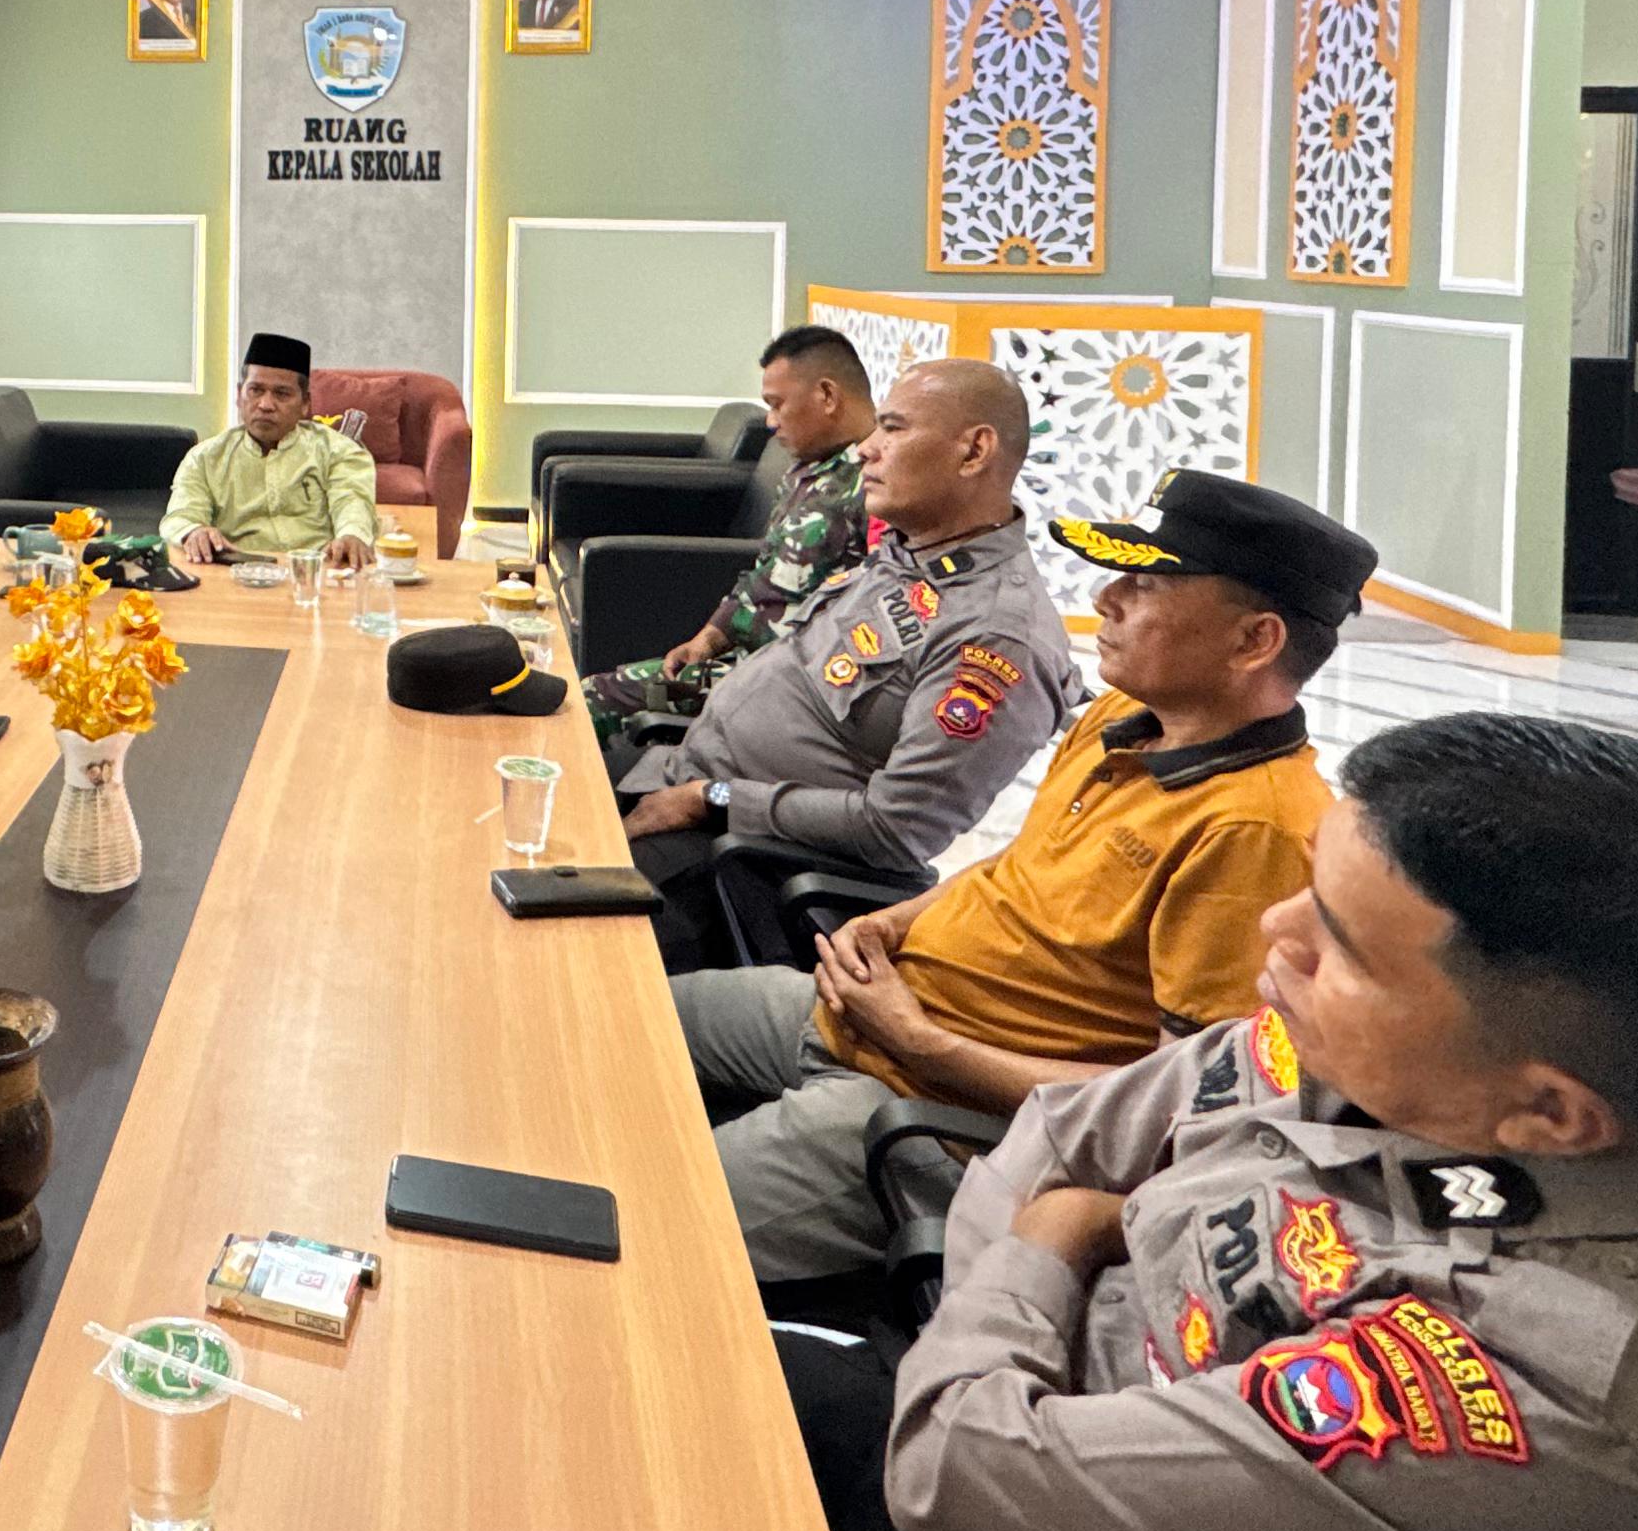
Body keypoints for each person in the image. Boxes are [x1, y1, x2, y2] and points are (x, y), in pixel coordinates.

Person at [798, 714, 1638, 1531]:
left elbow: (956, 1477)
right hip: (1002, 1454)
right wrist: (1018, 1306)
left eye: (1339, 941)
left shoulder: (1546, 1419)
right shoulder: (1418, 1056)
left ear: (1551, 1115)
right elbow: (1052, 1139)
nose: (1275, 929)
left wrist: (1057, 1240)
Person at [673, 471, 1375, 1283]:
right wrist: (895, 923)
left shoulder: (1255, 829)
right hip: (858, 1015)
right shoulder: (1123, 719)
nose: (1106, 599)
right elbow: (1021, 865)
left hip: (935, 1121)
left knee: (650, 1218)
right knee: (606, 1017)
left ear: (1254, 641)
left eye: (1146, 586)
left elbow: (1174, 1107)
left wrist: (921, 1041)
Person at [618, 359, 1075, 967]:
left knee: (556, 933)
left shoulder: (995, 638)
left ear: (973, 451)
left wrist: (713, 797)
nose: (866, 448)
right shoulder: (908, 553)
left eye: (894, 428)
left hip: (741, 860)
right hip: (679, 775)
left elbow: (896, 830)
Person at [577, 324, 876, 743]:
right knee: (585, 697)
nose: (770, 422)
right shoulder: (809, 469)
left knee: (591, 702)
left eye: (777, 404)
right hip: (742, 662)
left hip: (791, 687)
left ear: (827, 395)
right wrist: (708, 639)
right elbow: (765, 575)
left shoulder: (880, 484)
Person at [162, 331, 381, 571]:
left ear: (305, 403)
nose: (265, 405)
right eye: (255, 390)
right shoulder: (205, 458)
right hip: (237, 573)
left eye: (282, 394)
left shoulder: (338, 451)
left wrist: (351, 535)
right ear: (239, 396)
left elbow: (352, 501)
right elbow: (181, 515)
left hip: (317, 572)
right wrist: (193, 531)